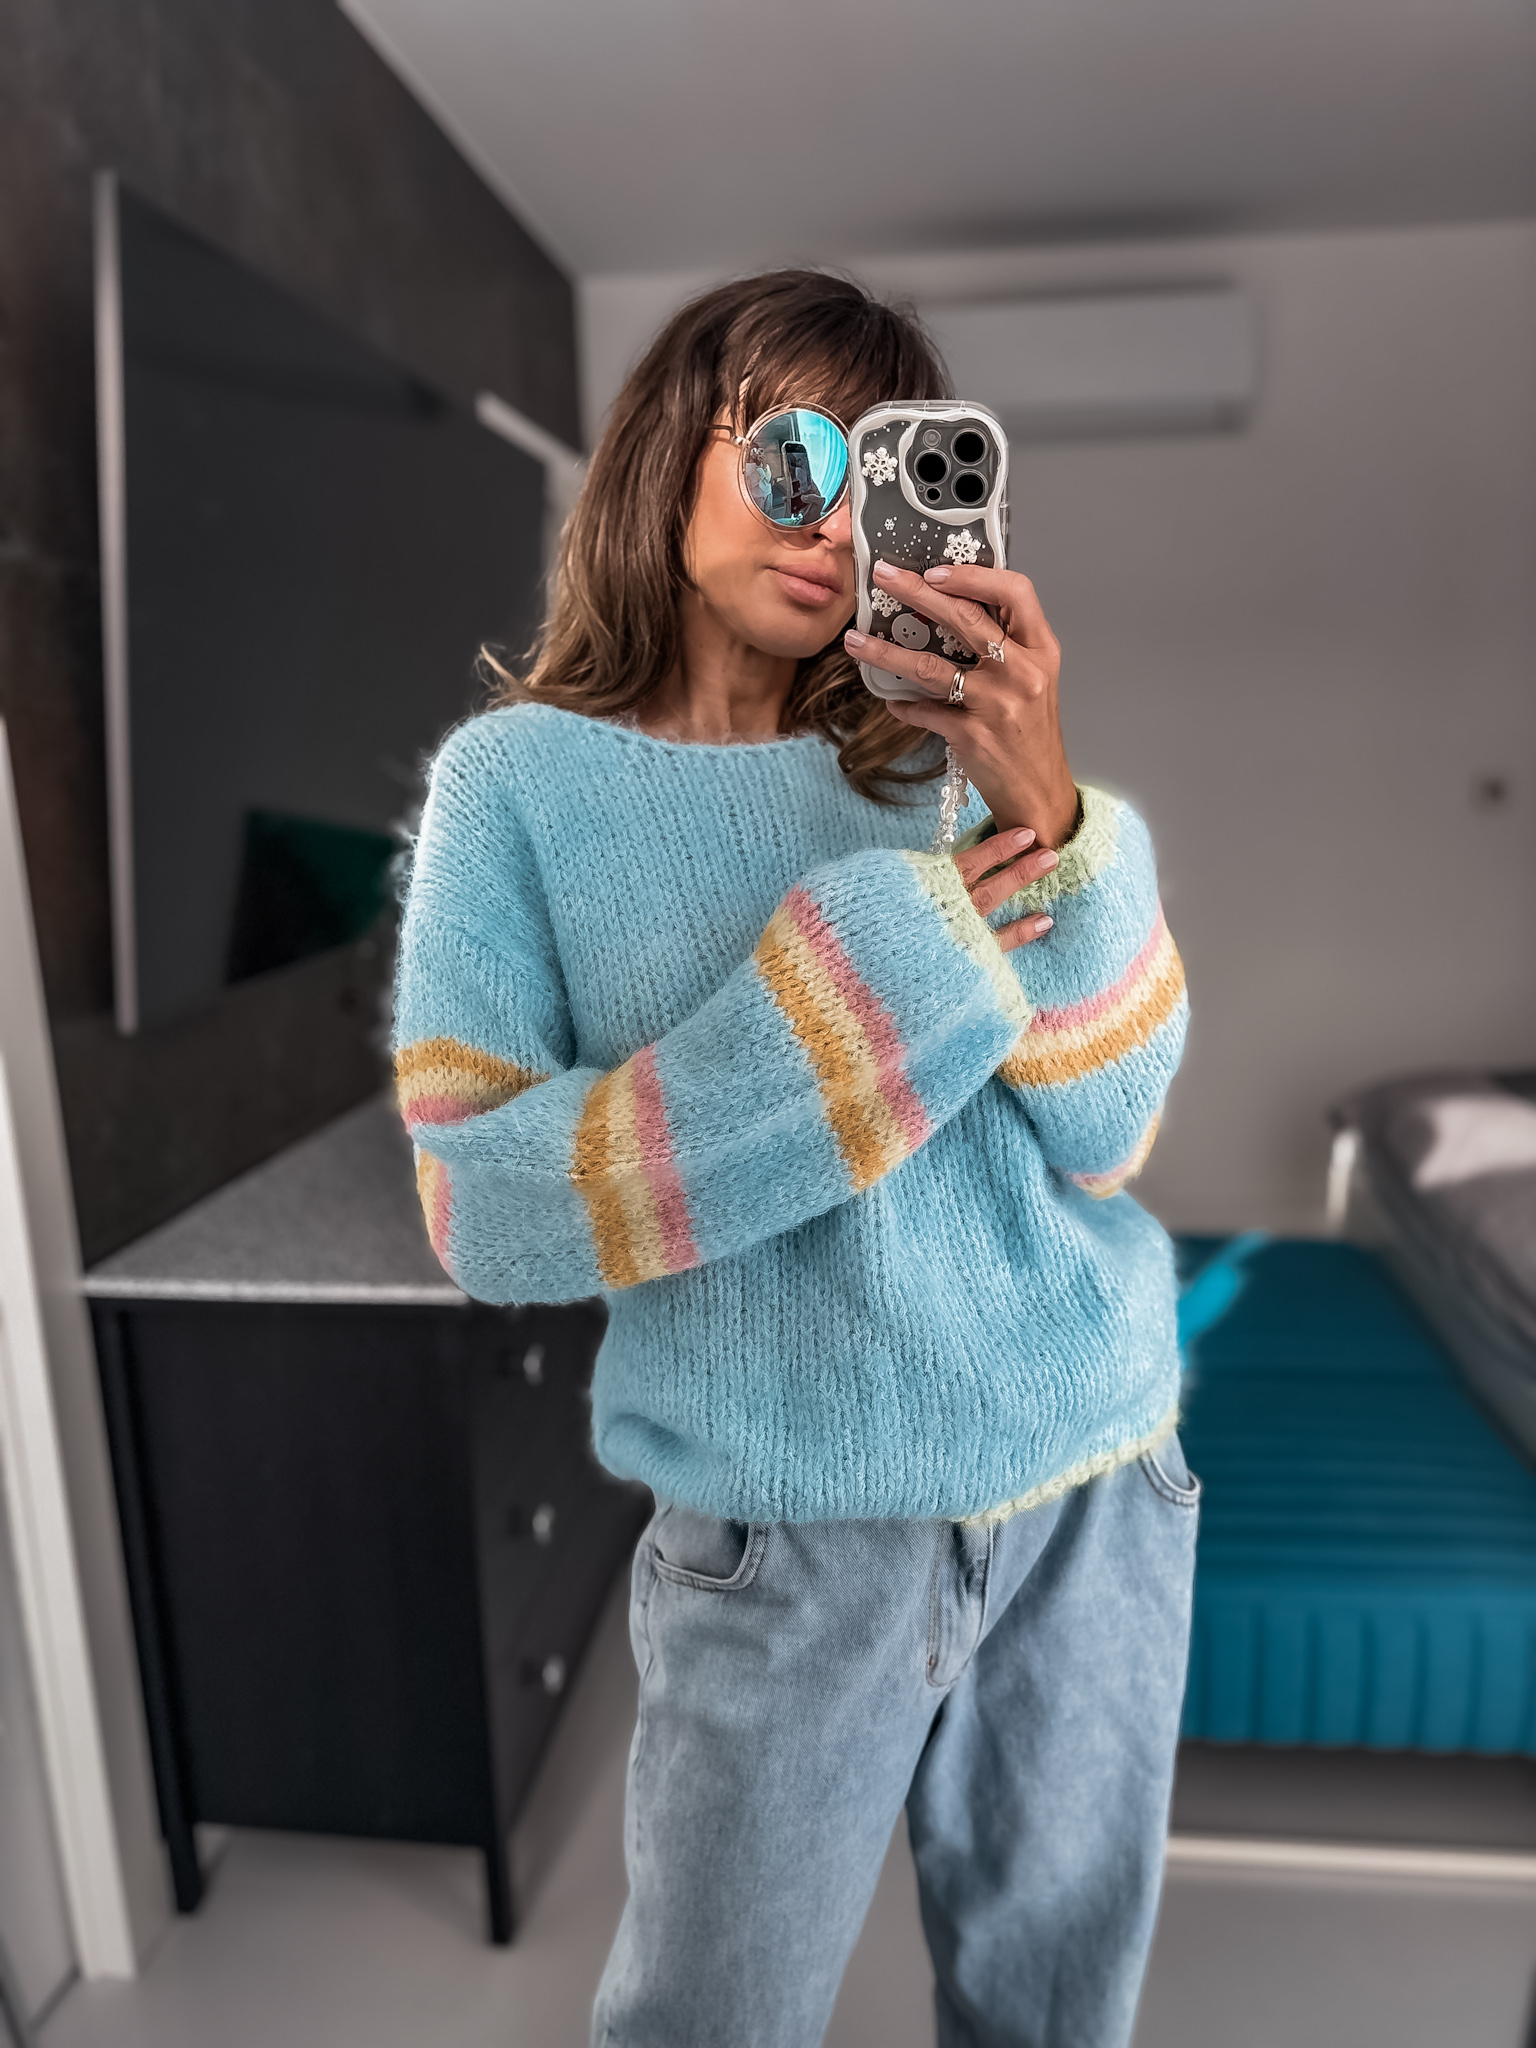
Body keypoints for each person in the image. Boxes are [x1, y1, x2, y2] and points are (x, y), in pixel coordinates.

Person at [393, 270, 1194, 2048]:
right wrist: (866, 990)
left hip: (1091, 1486)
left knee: (1058, 2024)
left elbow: (1112, 1136)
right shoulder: (517, 790)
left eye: (883, 473)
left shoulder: (944, 766)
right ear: (670, 456)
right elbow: (480, 1202)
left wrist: (1054, 810)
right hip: (784, 1539)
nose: (833, 523)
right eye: (794, 458)